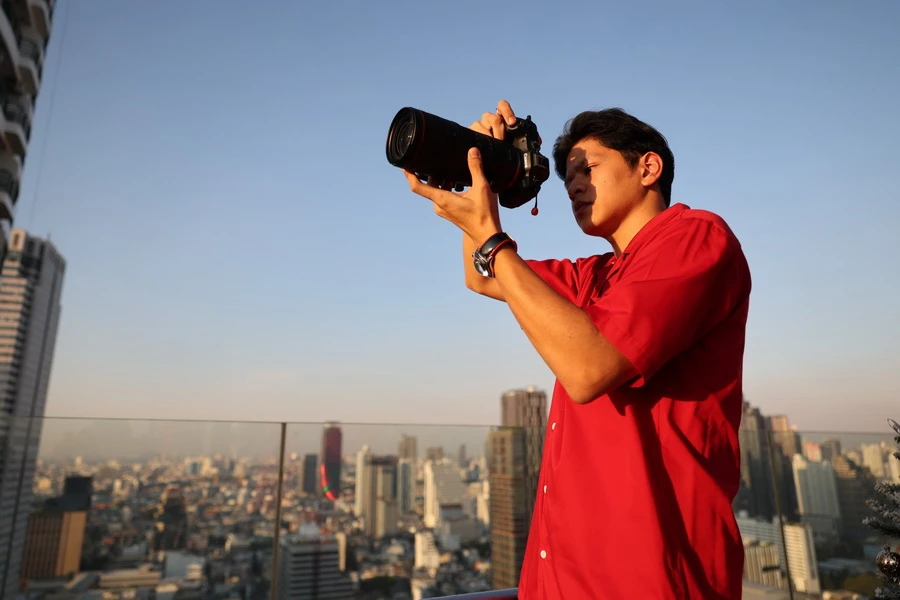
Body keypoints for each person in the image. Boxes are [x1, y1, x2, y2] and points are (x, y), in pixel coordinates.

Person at [403, 99, 751, 599]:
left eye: (587, 169)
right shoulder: (596, 275)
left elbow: (589, 368)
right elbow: (483, 277)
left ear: (648, 167)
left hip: (650, 578)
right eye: (567, 178)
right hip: (560, 579)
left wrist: (492, 238)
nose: (573, 186)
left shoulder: (696, 237)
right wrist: (479, 174)